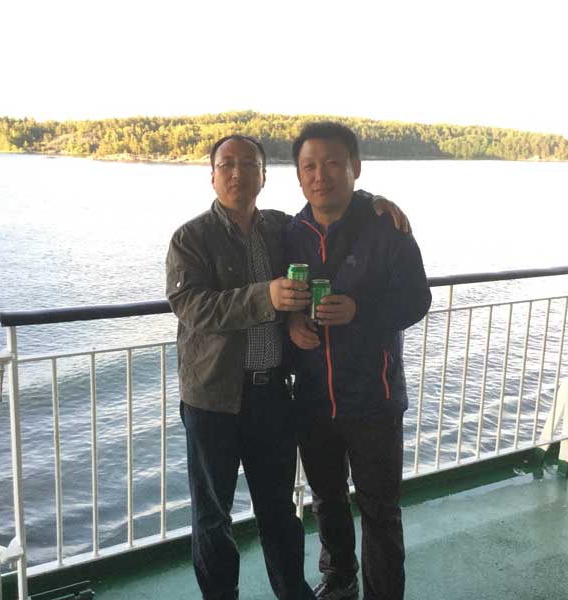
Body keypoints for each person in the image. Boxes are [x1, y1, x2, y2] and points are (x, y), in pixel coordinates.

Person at [165, 134, 409, 600]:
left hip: (272, 395)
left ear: (264, 175)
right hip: (213, 399)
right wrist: (267, 297)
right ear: (212, 175)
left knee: (278, 509)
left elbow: (330, 205)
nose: (238, 173)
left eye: (249, 164)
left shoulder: (281, 228)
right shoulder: (190, 238)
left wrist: (373, 201)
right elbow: (192, 307)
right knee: (212, 515)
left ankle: (293, 593)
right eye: (227, 164)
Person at [285, 122, 431, 600]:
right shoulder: (290, 234)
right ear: (298, 175)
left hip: (373, 397)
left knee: (380, 510)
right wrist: (291, 326)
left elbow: (417, 299)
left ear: (355, 168)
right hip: (313, 398)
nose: (320, 175)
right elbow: (279, 302)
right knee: (327, 500)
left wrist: (358, 310)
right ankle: (340, 578)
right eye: (309, 166)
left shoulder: (386, 228)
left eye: (332, 163)